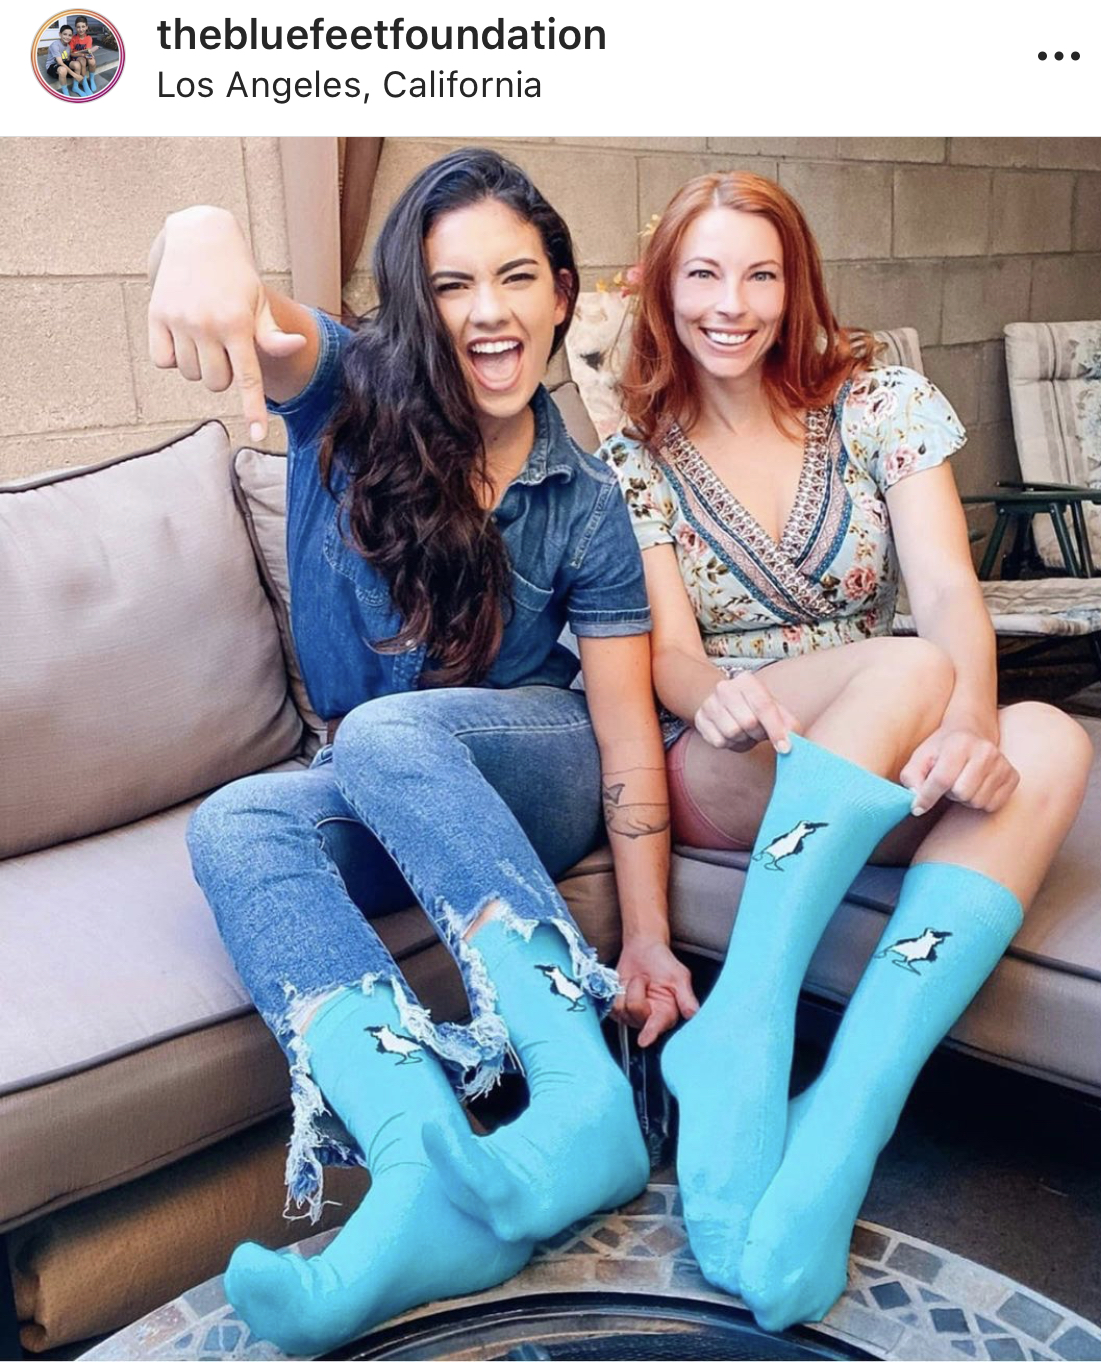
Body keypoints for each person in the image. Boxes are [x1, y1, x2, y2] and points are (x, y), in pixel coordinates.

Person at [148, 148, 697, 1355]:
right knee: (235, 819)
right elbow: (275, 327)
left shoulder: (589, 501)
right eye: (452, 286)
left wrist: (647, 934)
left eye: (516, 277)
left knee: (392, 734)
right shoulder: (347, 392)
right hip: (386, 780)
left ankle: (583, 1103)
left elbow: (622, 735)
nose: (487, 312)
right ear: (414, 302)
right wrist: (201, 226)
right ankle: (420, 1169)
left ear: (563, 293)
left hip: (532, 762)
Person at [599, 170, 1093, 1332]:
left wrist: (974, 727)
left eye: (760, 274)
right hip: (741, 754)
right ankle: (746, 1028)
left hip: (887, 748)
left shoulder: (883, 402)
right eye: (705, 274)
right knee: (913, 666)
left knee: (1049, 735)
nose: (734, 302)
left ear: (795, 284)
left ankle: (843, 1118)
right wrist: (713, 693)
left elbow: (948, 596)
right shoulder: (638, 451)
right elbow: (666, 652)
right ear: (665, 291)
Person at [44, 25, 84, 97]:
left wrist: (80, 56)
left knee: (77, 64)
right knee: (63, 70)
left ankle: (75, 87)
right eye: (65, 34)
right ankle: (65, 91)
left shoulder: (68, 47)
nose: (67, 37)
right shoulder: (55, 45)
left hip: (63, 62)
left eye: (69, 35)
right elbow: (59, 62)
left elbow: (67, 59)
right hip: (52, 65)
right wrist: (75, 75)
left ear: (72, 36)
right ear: (60, 34)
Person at [67, 17, 101, 95]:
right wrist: (82, 54)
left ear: (86, 27)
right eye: (78, 27)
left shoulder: (88, 38)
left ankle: (92, 80)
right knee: (82, 60)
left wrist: (90, 53)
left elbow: (88, 51)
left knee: (92, 61)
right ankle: (85, 83)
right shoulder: (73, 38)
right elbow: (71, 53)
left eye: (83, 26)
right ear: (75, 27)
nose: (81, 29)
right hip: (76, 58)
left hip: (85, 55)